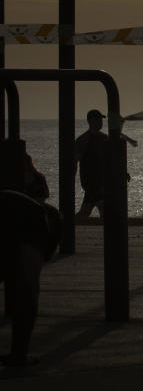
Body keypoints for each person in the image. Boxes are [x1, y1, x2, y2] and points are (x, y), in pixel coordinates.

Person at [1, 143, 62, 368]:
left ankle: (19, 353)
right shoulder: (38, 215)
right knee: (27, 290)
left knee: (26, 289)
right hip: (31, 226)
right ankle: (19, 353)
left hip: (31, 227)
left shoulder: (35, 215)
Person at [74, 109, 137, 218]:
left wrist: (122, 172)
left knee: (91, 211)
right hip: (91, 183)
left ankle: (68, 224)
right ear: (90, 121)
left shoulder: (104, 138)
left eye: (101, 120)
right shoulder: (83, 140)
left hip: (102, 183)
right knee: (97, 211)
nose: (101, 122)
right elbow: (75, 160)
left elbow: (112, 159)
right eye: (98, 119)